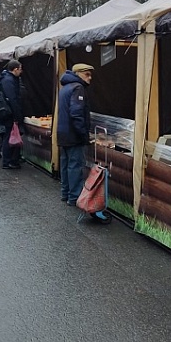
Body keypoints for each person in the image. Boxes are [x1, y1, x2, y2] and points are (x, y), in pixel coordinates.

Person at [57, 63, 111, 223]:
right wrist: (84, 134)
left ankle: (65, 193)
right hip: (73, 134)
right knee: (75, 165)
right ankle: (74, 197)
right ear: (78, 74)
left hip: (63, 133)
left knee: (66, 163)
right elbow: (76, 113)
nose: (90, 77)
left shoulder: (65, 87)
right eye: (87, 74)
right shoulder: (77, 88)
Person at [0, 60, 24, 169]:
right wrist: (17, 116)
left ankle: (10, 160)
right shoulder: (9, 80)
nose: (21, 71)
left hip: (7, 112)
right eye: (20, 69)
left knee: (9, 136)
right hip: (9, 113)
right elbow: (13, 99)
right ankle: (8, 161)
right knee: (9, 137)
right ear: (15, 69)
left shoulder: (7, 78)